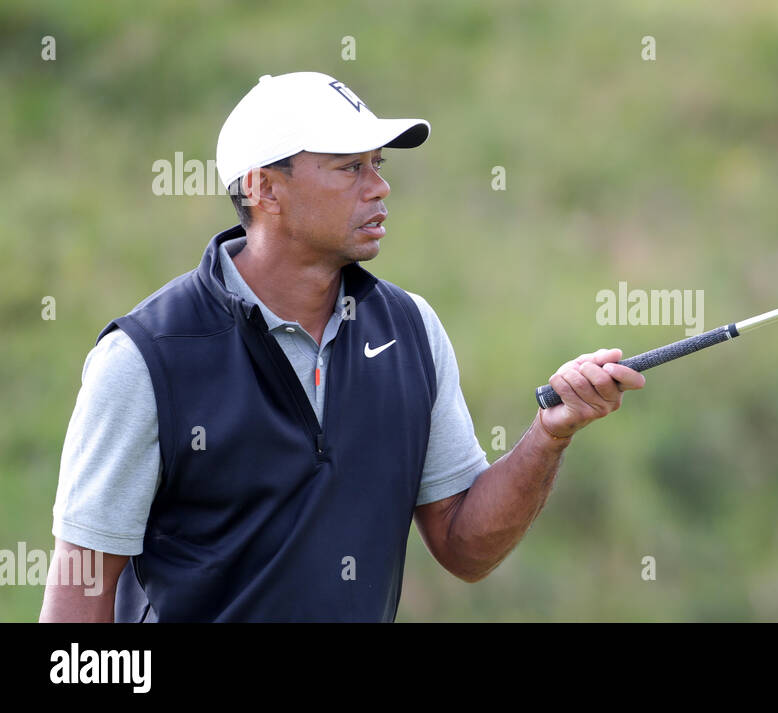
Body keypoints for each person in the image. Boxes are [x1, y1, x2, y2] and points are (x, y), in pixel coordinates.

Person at [39, 72, 644, 622]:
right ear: (263, 188)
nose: (380, 188)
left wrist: (549, 435)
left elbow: (465, 547)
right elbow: (77, 604)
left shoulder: (411, 330)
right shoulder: (145, 359)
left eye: (378, 164)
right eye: (349, 167)